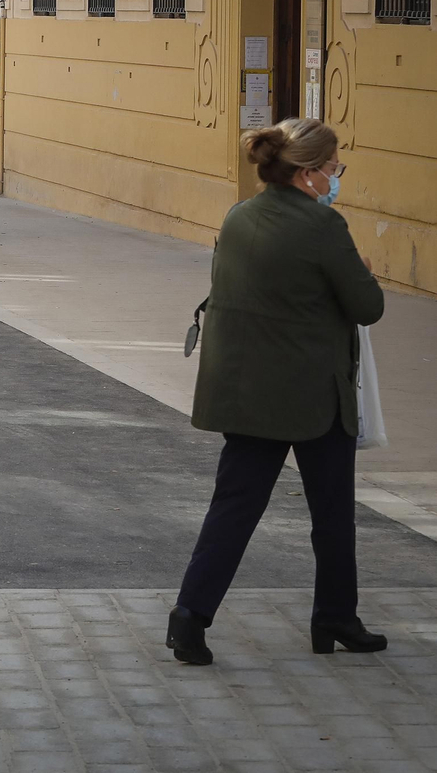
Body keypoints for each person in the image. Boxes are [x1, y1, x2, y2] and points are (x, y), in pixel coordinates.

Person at [168, 118, 386, 666]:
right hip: (313, 394)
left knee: (233, 509)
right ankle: (336, 616)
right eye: (334, 167)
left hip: (246, 392)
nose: (336, 176)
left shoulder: (240, 216)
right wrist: (362, 271)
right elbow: (367, 308)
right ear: (309, 173)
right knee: (332, 514)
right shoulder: (323, 226)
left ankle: (189, 618)